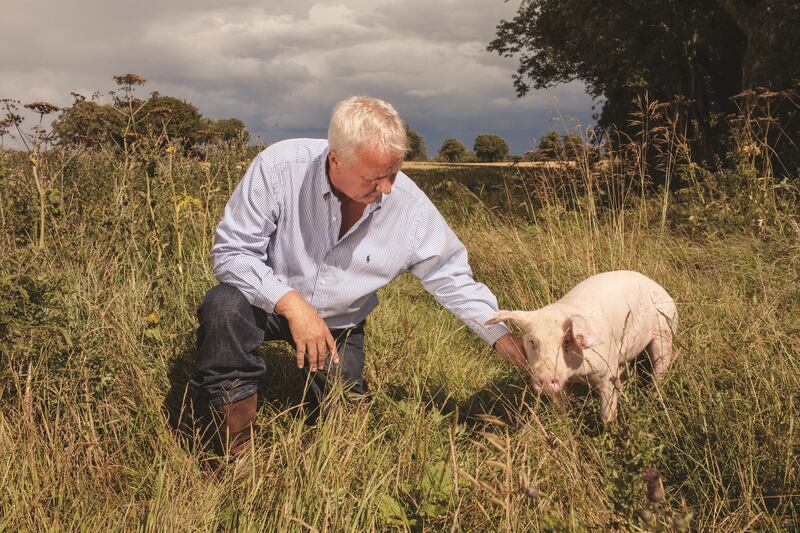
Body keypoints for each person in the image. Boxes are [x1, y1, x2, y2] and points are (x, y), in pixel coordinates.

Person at [190, 96, 526, 455]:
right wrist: (292, 304)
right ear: (335, 159)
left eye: (393, 174)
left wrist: (499, 334)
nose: (387, 189)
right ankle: (234, 451)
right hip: (265, 304)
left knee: (346, 426)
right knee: (224, 307)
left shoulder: (409, 207)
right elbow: (232, 253)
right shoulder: (279, 168)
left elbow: (449, 273)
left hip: (338, 323)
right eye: (373, 178)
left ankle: (330, 406)